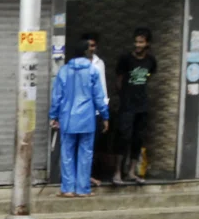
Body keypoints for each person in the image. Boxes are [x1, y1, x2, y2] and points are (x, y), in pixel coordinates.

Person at [50, 39, 110, 198]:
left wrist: (53, 116)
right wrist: (105, 116)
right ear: (85, 53)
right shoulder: (92, 71)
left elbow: (57, 96)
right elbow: (99, 97)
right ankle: (83, 189)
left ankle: (68, 189)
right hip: (87, 119)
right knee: (86, 153)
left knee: (67, 153)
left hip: (68, 119)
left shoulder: (64, 71)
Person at [114, 28, 158, 185]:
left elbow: (148, 76)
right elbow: (119, 80)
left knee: (138, 138)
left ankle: (131, 172)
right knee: (123, 137)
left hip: (142, 104)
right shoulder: (126, 59)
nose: (138, 45)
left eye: (141, 42)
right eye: (136, 41)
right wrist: (124, 97)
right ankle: (118, 172)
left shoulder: (150, 61)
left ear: (147, 43)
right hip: (127, 104)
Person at [81, 32, 109, 188]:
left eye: (93, 45)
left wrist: (105, 113)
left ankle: (88, 176)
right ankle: (83, 179)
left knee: (93, 146)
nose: (90, 49)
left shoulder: (99, 63)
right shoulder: (76, 64)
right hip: (81, 112)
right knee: (81, 146)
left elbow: (102, 89)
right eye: (88, 46)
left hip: (96, 111)